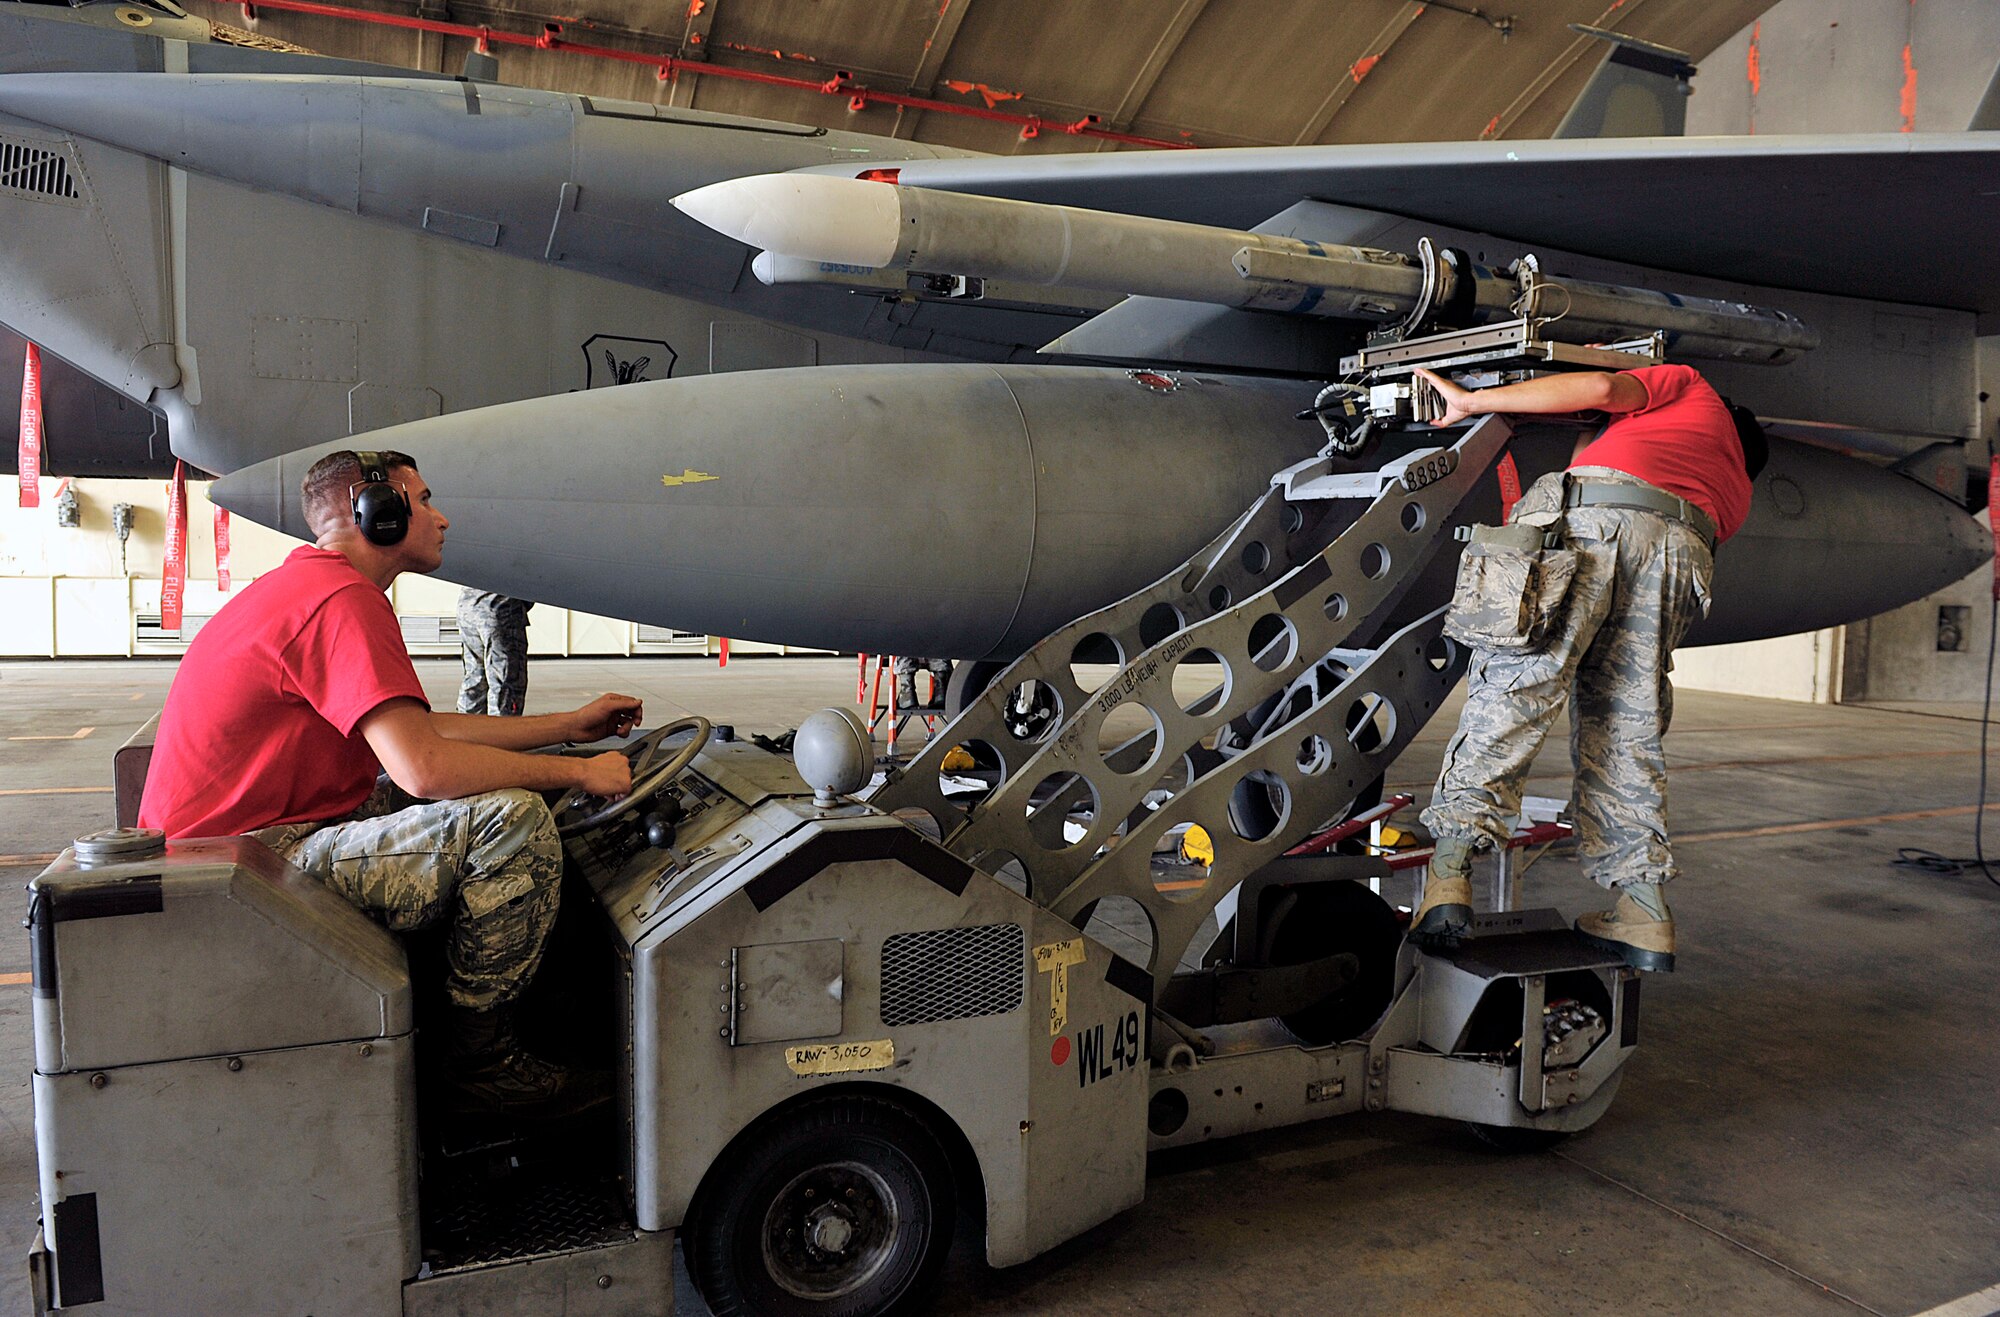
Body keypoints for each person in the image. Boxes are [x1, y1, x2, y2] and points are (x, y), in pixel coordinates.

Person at [138, 448, 643, 1116]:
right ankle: (482, 1064)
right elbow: (426, 769)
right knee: (512, 821)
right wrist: (579, 773)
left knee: (498, 792)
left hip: (238, 855)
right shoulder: (341, 599)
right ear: (374, 511)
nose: (441, 518)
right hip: (239, 878)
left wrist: (569, 727)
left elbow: (423, 733)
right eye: (424, 499)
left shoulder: (312, 586)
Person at [1407, 364, 1766, 972]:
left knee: (1517, 690)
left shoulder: (1693, 388)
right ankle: (1643, 910)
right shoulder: (1735, 487)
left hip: (1593, 523)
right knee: (1625, 727)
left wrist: (1473, 401)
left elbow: (1602, 396)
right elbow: (1596, 448)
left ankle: (1448, 879)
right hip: (1679, 555)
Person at [458, 588, 533, 716]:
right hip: (501, 610)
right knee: (505, 686)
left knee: (474, 680)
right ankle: (502, 731)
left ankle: (466, 731)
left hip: (467, 609)